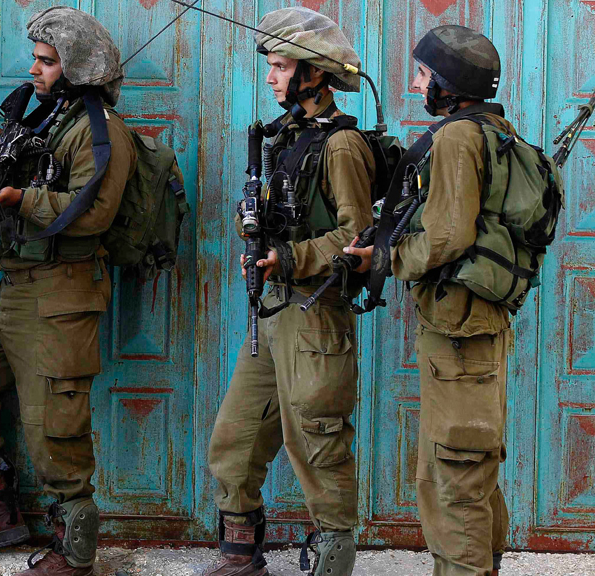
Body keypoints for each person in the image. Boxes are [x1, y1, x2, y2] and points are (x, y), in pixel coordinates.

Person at [0, 7, 135, 576]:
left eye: (47, 62)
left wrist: (22, 200)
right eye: (38, 59)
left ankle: (74, 554)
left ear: (76, 69)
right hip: (17, 287)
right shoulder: (53, 117)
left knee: (54, 422)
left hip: (61, 293)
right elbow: (30, 158)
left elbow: (91, 212)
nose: (36, 69)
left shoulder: (100, 131)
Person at [203, 8, 375, 576]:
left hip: (315, 315)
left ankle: (333, 563)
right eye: (271, 67)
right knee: (234, 439)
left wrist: (293, 256)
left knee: (319, 446)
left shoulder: (341, 145)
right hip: (274, 312)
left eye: (281, 66)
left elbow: (357, 235)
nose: (272, 78)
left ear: (314, 75)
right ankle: (241, 556)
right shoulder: (284, 137)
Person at [344, 25, 510, 576]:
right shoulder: (488, 129)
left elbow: (447, 236)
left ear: (447, 82)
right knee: (470, 467)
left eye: (422, 74)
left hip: (462, 334)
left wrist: (384, 259)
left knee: (455, 473)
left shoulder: (459, 137)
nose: (416, 85)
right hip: (466, 329)